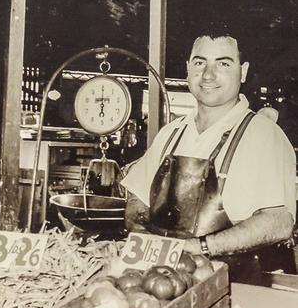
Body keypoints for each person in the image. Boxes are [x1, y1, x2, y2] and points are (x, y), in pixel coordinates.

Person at [122, 31, 296, 284]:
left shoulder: (264, 135)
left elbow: (279, 222)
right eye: (200, 62)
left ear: (243, 72)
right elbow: (136, 200)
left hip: (235, 285)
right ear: (188, 69)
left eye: (223, 64)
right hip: (164, 282)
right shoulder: (171, 132)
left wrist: (198, 248)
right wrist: (145, 230)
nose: (208, 75)